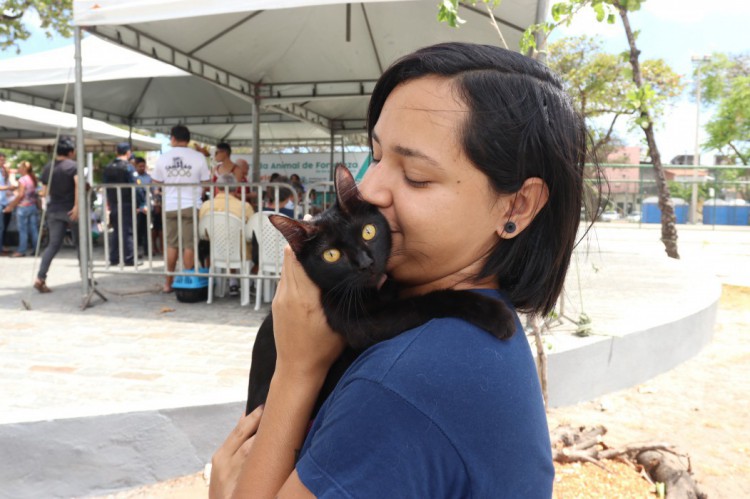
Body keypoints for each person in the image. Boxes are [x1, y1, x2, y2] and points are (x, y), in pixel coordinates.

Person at [209, 42, 598, 498]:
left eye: (415, 175)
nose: (370, 190)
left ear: (517, 205)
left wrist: (296, 369)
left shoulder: (404, 383)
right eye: (374, 155)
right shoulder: (476, 328)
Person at [151, 125, 211, 293]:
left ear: (173, 138)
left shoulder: (164, 157)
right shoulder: (198, 157)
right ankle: (186, 282)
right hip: (190, 205)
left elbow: (156, 181)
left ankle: (168, 284)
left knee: (171, 244)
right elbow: (206, 183)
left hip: (170, 205)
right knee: (189, 245)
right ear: (188, 139)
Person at [198, 173, 255, 297]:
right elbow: (251, 233)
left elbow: (203, 233)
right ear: (236, 188)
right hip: (241, 253)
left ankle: (231, 283)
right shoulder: (244, 206)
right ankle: (249, 281)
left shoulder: (206, 206)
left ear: (217, 188)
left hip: (216, 250)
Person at [35, 137, 80, 293]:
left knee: (53, 245)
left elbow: (44, 191)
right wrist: (77, 207)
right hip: (71, 210)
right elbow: (78, 187)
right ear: (71, 152)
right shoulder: (74, 166)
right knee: (80, 244)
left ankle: (40, 277)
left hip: (54, 210)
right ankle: (86, 278)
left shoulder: (48, 167)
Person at [102, 142, 136, 266]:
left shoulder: (108, 166)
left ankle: (114, 258)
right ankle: (129, 258)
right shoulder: (128, 167)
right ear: (128, 152)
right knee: (127, 230)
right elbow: (134, 186)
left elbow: (104, 185)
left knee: (116, 230)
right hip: (126, 201)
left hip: (113, 202)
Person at [2, 161, 40, 257]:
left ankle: (21, 250)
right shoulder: (33, 178)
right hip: (32, 206)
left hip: (23, 207)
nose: (18, 169)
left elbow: (21, 195)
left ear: (24, 169)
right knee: (33, 229)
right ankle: (36, 249)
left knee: (23, 230)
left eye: (19, 168)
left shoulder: (22, 180)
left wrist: (11, 206)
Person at [133, 156, 152, 256]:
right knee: (136, 232)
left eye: (143, 166)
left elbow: (152, 192)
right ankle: (136, 251)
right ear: (136, 166)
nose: (142, 168)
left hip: (146, 208)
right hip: (136, 208)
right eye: (140, 166)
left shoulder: (148, 178)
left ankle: (147, 250)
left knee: (146, 231)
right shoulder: (133, 178)